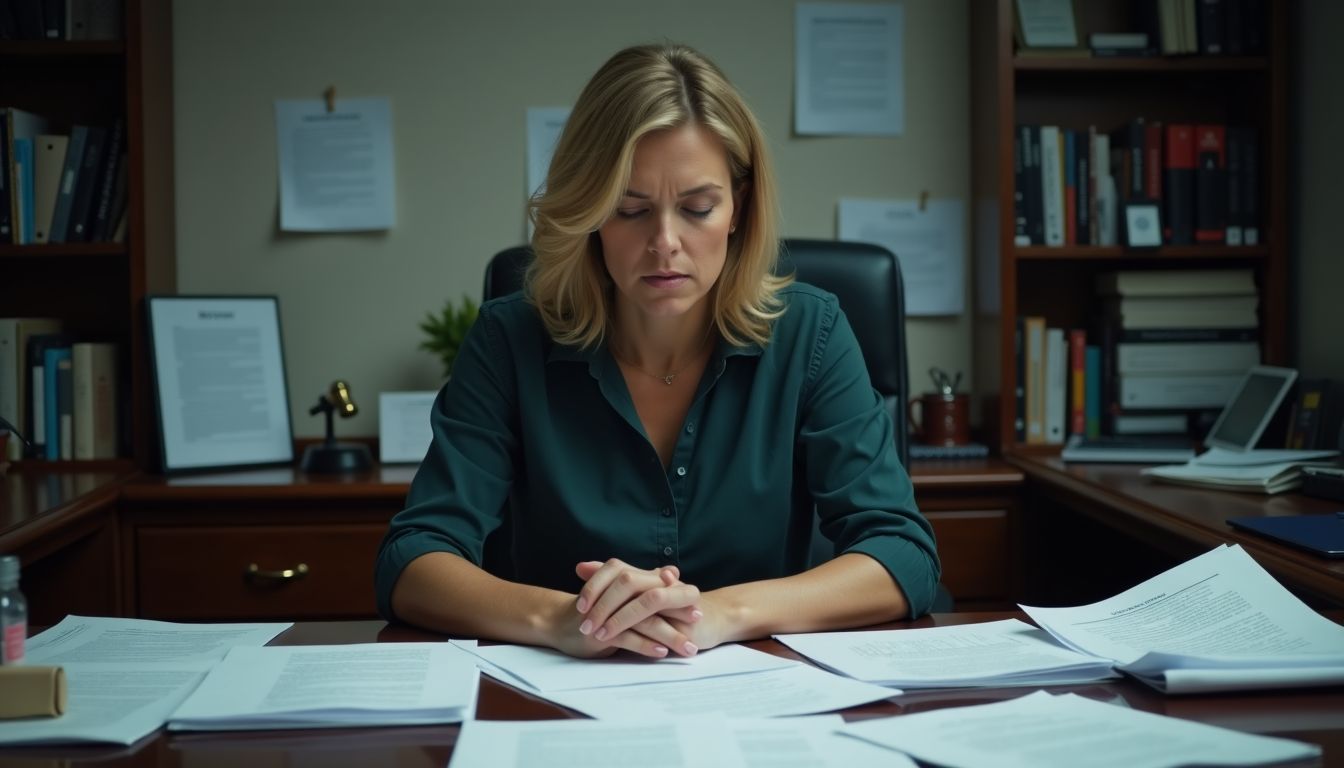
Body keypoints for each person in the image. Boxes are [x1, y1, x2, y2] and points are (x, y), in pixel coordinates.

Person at [375, 42, 939, 660]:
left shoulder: (812, 333)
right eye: (629, 209)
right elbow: (414, 557)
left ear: (738, 210)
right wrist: (563, 619)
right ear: (589, 212)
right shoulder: (508, 341)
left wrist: (720, 614)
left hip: (762, 702)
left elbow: (901, 554)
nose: (665, 243)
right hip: (562, 704)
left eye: (697, 208)